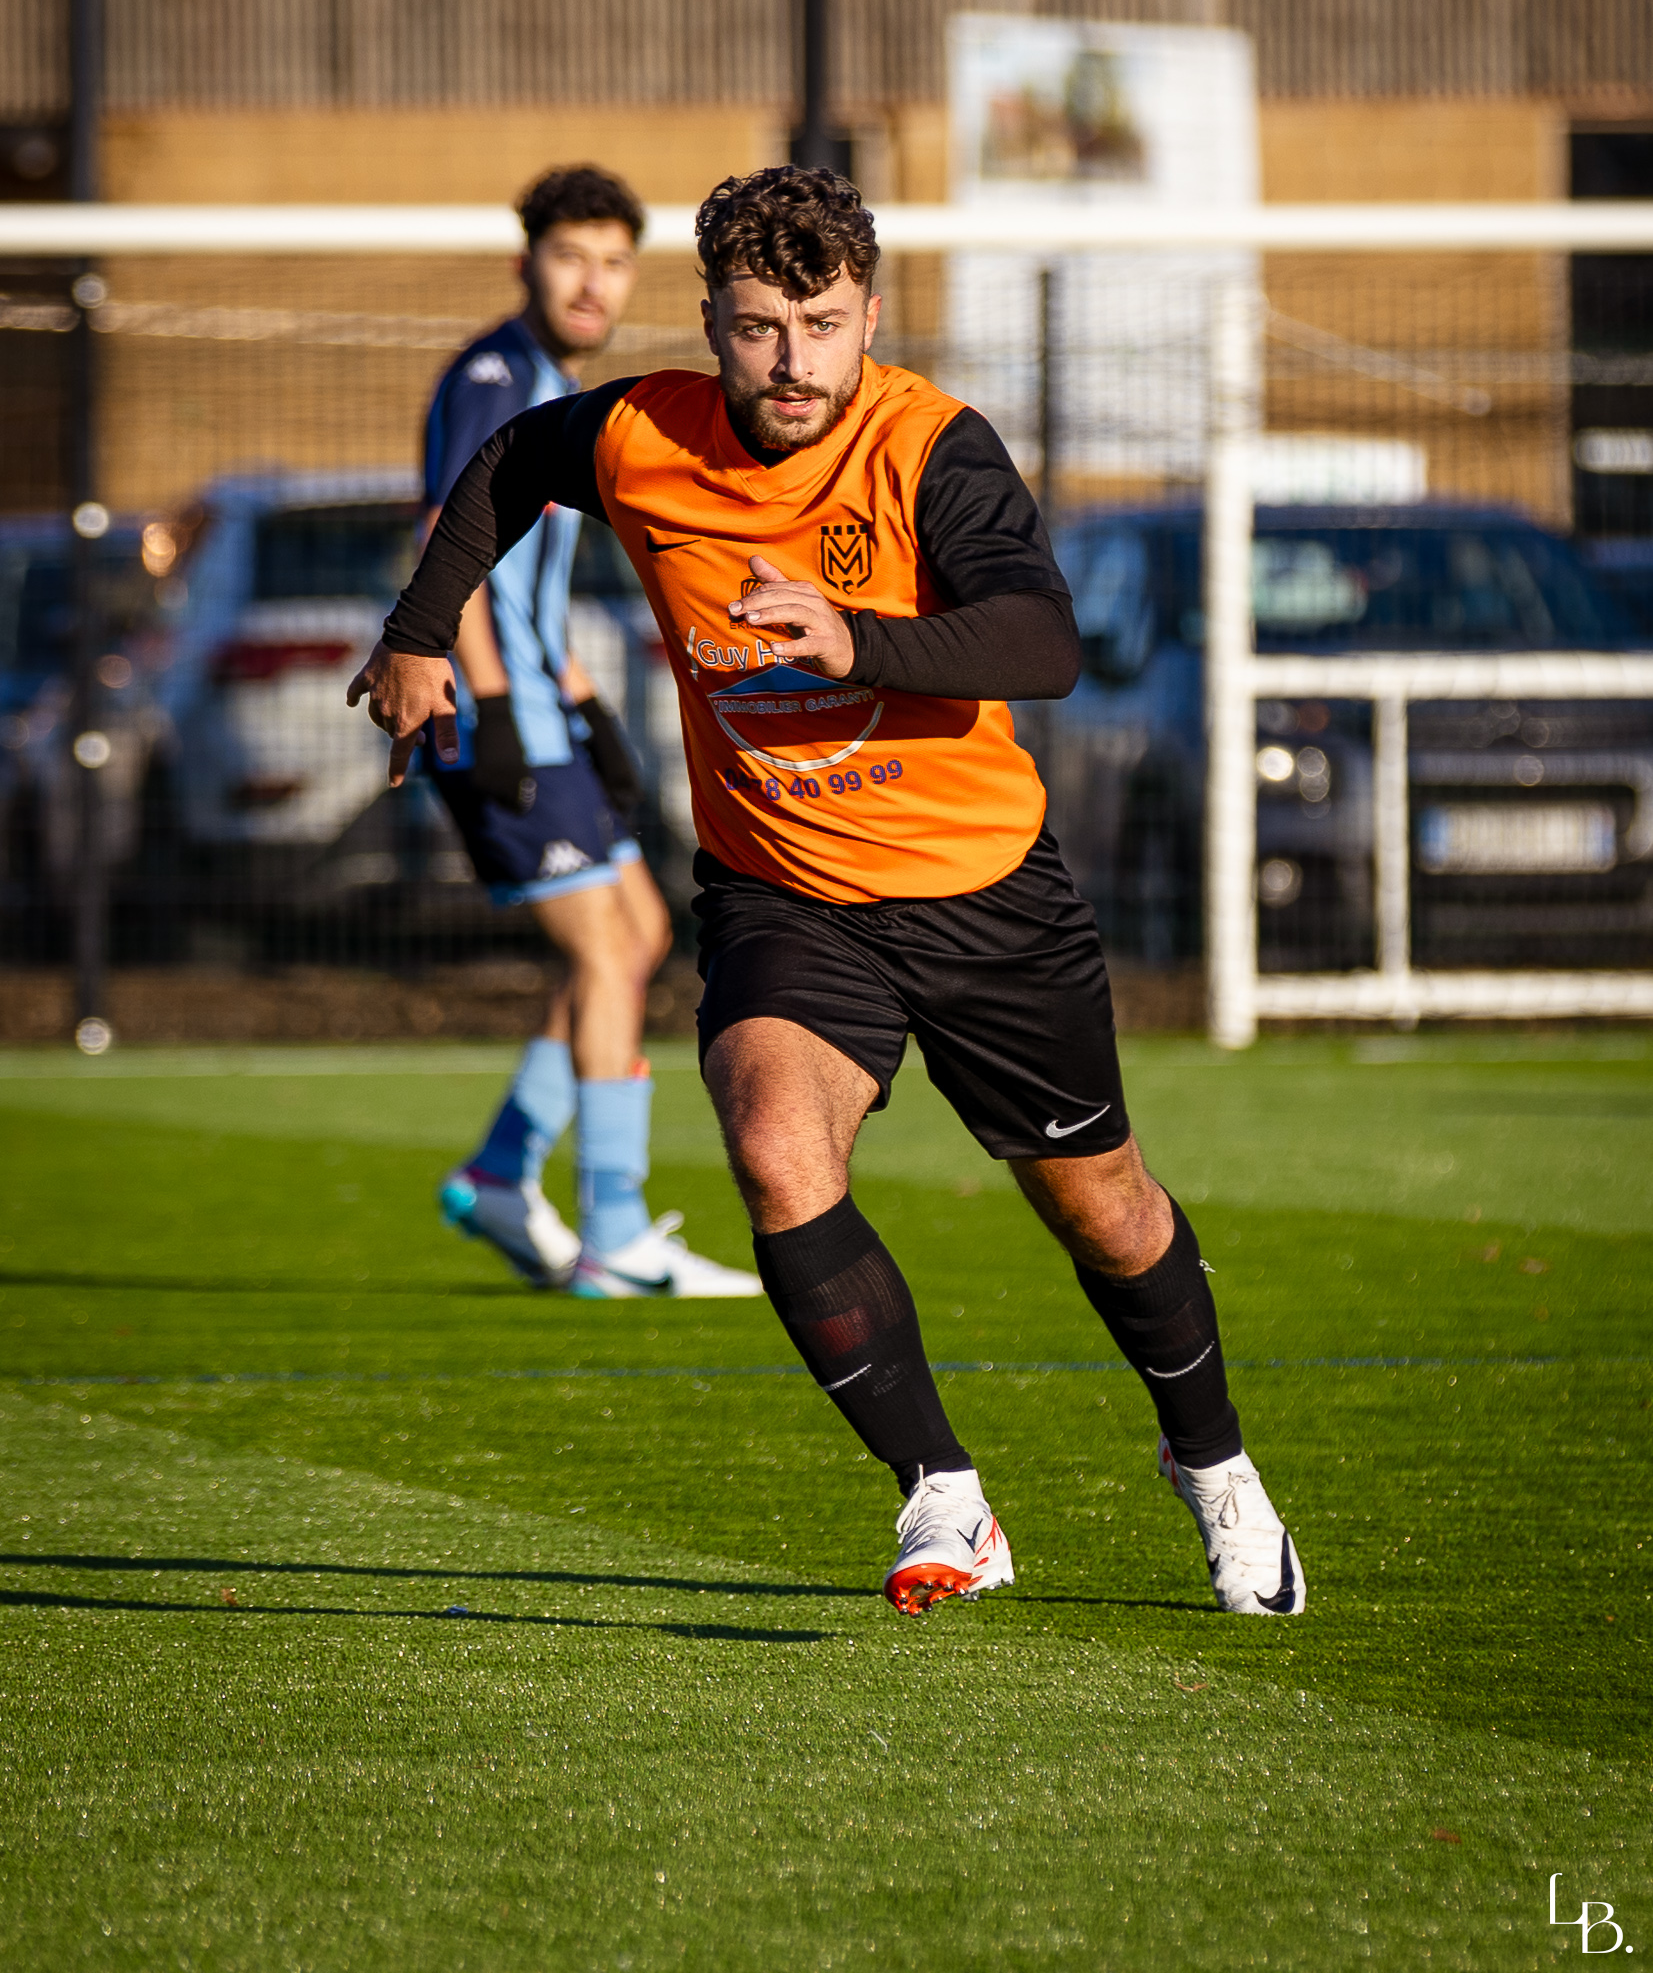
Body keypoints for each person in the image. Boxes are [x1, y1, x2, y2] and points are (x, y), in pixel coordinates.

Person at [352, 165, 1304, 1617]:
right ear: (710, 322)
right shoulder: (639, 432)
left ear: (867, 313)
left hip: (982, 893)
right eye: (756, 328)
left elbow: (1043, 643)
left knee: (1101, 1209)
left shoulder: (934, 448)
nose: (792, 363)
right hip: (784, 894)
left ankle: (1216, 1467)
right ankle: (944, 1498)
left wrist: (858, 644)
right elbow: (504, 467)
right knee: (776, 1154)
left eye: (822, 323)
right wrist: (423, 629)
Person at [420, 162, 759, 1301]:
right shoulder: (490, 375)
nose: (592, 280)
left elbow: (532, 575)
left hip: (535, 705)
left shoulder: (552, 381)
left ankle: (506, 1171)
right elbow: (447, 545)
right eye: (571, 255)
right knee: (607, 949)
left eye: (614, 261)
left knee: (642, 927)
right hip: (485, 714)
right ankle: (613, 1227)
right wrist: (502, 707)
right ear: (528, 263)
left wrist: (581, 699)